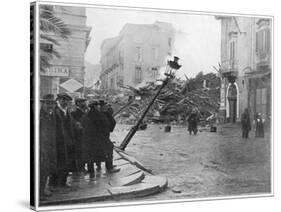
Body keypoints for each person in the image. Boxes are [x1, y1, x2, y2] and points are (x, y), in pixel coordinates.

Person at [51, 93, 76, 188]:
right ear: (58, 100)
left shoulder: (67, 111)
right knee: (58, 162)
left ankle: (62, 182)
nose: (65, 102)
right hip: (59, 141)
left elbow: (70, 124)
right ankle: (54, 183)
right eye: (63, 100)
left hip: (68, 141)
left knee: (67, 162)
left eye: (67, 101)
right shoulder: (55, 111)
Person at [39, 94, 57, 200]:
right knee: (40, 170)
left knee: (45, 170)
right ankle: (38, 193)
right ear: (43, 103)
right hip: (41, 148)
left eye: (52, 103)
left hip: (49, 147)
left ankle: (42, 191)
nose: (50, 105)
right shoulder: (40, 116)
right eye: (48, 103)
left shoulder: (50, 115)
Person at [99, 100, 120, 173]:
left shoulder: (104, 113)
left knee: (108, 150)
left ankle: (108, 165)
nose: (106, 106)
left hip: (105, 134)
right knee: (109, 149)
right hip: (102, 135)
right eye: (104, 105)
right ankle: (109, 167)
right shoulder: (101, 114)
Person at [82, 100, 101, 176]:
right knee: (95, 155)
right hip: (95, 138)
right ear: (95, 106)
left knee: (90, 156)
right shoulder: (98, 115)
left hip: (87, 138)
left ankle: (91, 171)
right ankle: (94, 171)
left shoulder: (86, 115)